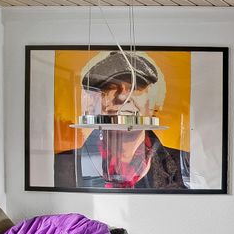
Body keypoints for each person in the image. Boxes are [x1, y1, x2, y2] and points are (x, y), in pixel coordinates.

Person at [54, 50, 190, 190]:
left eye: (136, 88)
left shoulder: (185, 164)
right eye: (110, 87)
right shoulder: (61, 163)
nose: (123, 97)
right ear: (93, 102)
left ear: (156, 104)